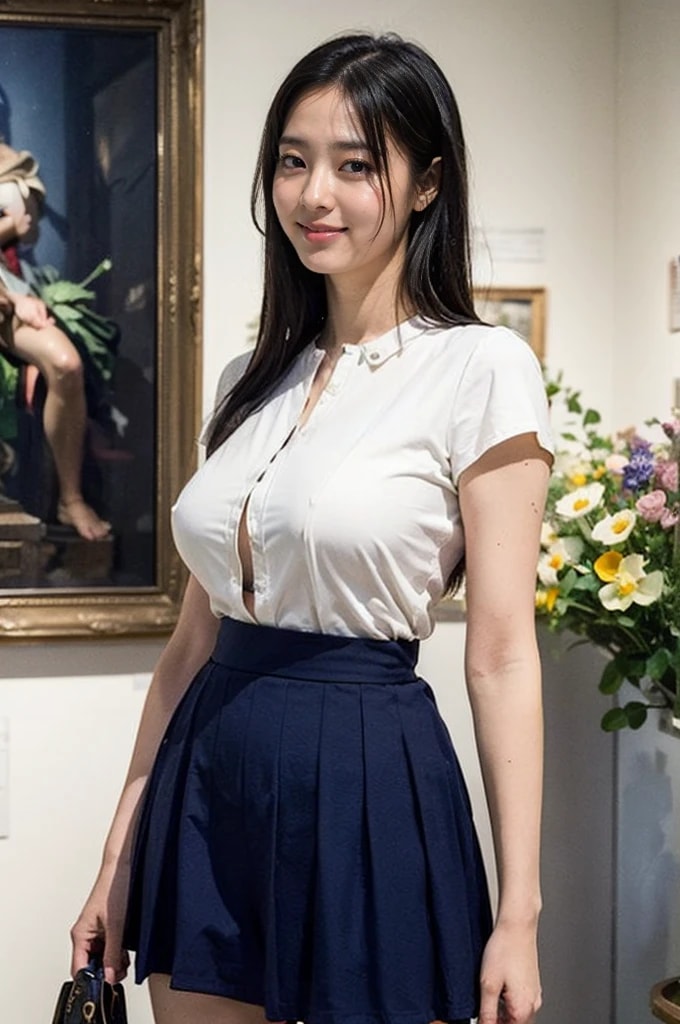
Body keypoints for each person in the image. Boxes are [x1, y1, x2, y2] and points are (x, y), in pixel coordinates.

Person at [70, 32, 553, 1024]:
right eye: (293, 161)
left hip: (368, 777)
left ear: (426, 184)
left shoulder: (479, 368)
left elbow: (502, 654)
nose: (313, 194)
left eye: (355, 164)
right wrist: (116, 859)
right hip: (208, 778)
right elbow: (189, 645)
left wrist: (519, 911)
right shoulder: (248, 381)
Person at [0, 142, 110, 540]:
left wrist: (17, 297)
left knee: (66, 363)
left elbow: (28, 227)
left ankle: (70, 496)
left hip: (12, 284)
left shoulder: (12, 163)